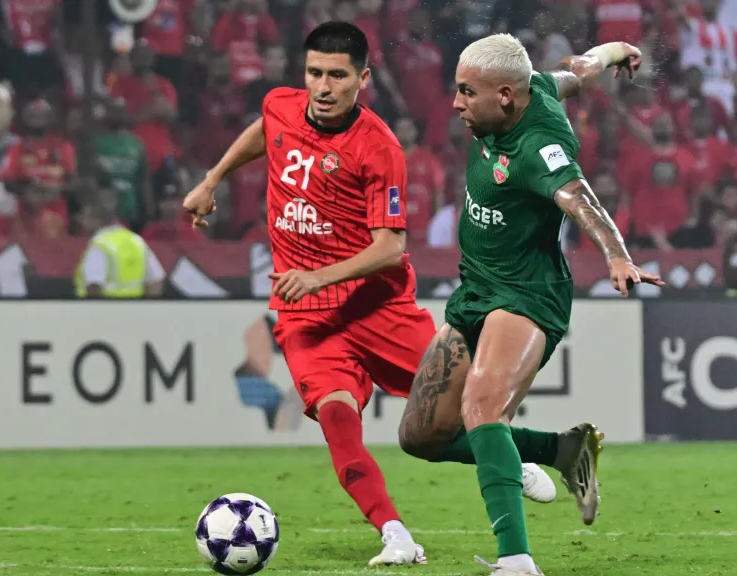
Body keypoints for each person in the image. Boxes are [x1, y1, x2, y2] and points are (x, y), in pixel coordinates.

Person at [181, 22, 555, 568]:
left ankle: (522, 456)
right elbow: (266, 130)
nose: (323, 87)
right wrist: (212, 179)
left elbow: (389, 248)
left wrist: (318, 276)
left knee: (460, 411)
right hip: (307, 319)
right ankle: (395, 535)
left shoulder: (378, 147)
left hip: (378, 308)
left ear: (363, 79)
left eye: (337, 75)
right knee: (337, 420)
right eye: (314, 73)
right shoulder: (281, 105)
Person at [396, 34, 663, 576]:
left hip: (526, 293)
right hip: (477, 289)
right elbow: (579, 71)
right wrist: (617, 49)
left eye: (466, 92)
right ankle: (562, 451)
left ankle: (516, 559)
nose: (455, 103)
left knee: (481, 409)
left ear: (505, 97)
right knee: (421, 436)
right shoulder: (532, 87)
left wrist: (617, 255)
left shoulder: (539, 148)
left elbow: (580, 198)